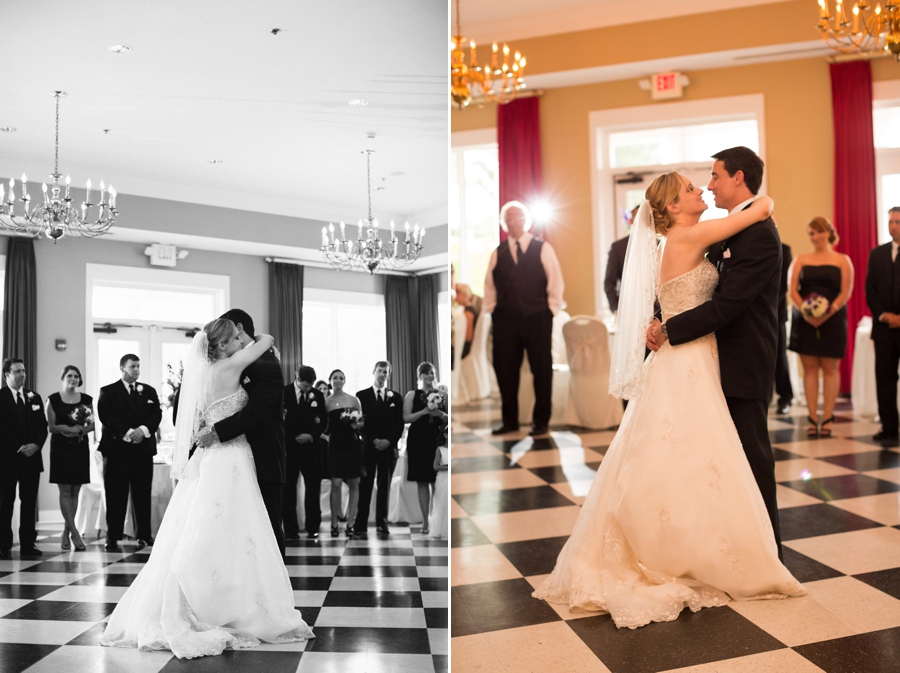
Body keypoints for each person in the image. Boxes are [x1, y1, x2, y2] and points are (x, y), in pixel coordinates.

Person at [533, 171, 805, 629]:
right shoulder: (690, 235)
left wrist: (660, 324)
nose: (701, 189)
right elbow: (761, 207)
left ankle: (684, 541)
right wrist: (748, 197)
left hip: (681, 354)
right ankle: (689, 550)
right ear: (673, 208)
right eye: (690, 189)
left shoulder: (670, 242)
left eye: (705, 182)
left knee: (679, 452)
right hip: (690, 357)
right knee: (698, 451)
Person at [101, 319, 313, 658]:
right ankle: (230, 603)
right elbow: (268, 338)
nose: (238, 342)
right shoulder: (231, 365)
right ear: (220, 346)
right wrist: (250, 336)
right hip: (233, 456)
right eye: (232, 338)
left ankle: (205, 596)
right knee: (238, 528)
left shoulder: (200, 375)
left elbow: (201, 419)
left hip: (208, 455)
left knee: (204, 525)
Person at [647, 146, 785, 559]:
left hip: (743, 362)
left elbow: (728, 305)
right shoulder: (728, 227)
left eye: (714, 176)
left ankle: (767, 552)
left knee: (753, 459)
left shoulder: (757, 231)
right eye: (698, 183)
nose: (708, 185)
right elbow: (686, 285)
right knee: (714, 460)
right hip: (706, 361)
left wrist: (668, 327)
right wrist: (661, 318)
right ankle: (719, 547)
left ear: (738, 178)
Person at [196, 308, 287, 558]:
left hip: (264, 456)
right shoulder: (234, 362)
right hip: (235, 456)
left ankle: (273, 588)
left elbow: (256, 413)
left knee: (266, 528)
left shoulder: (266, 363)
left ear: (238, 328)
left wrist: (215, 431)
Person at [483, 200, 565, 437]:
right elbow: (489, 286)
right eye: (508, 219)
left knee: (542, 369)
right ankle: (509, 421)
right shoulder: (497, 253)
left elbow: (555, 280)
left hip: (538, 316)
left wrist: (550, 309)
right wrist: (492, 312)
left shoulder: (542, 248)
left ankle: (541, 421)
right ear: (504, 223)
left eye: (517, 218)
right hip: (505, 320)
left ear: (526, 221)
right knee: (505, 370)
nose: (513, 222)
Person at [788, 217, 853, 438]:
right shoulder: (801, 259)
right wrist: (806, 311)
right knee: (809, 368)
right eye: (811, 233)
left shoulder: (843, 260)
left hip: (833, 320)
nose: (815, 237)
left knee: (830, 368)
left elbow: (845, 291)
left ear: (828, 233)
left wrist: (828, 311)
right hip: (805, 320)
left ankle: (827, 416)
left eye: (819, 232)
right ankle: (812, 416)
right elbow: (792, 289)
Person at [97, 354, 162, 552]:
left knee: (142, 494)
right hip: (117, 451)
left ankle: (144, 535)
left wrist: (142, 430)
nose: (136, 370)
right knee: (116, 495)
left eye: (138, 366)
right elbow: (105, 415)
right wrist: (127, 433)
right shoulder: (108, 391)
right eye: (132, 366)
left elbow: (156, 414)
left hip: (142, 451)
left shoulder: (149, 391)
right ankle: (113, 536)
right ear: (122, 368)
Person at [0, 358, 48, 559]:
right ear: (6, 375)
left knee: (29, 503)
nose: (22, 375)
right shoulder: (0, 397)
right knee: (5, 503)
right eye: (17, 371)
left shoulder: (34, 397)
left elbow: (42, 427)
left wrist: (35, 445)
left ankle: (28, 544)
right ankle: (3, 545)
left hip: (31, 459)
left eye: (24, 371)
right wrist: (19, 447)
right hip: (7, 460)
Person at [46, 365, 94, 551]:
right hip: (60, 448)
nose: (72, 379)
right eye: (69, 375)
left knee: (76, 491)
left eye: (76, 376)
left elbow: (91, 425)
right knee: (65, 492)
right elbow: (51, 427)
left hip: (80, 448)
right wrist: (67, 429)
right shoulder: (53, 399)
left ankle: (67, 531)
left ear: (79, 379)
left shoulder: (87, 399)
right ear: (63, 377)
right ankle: (75, 533)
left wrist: (79, 430)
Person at [354, 361, 404, 536]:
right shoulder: (361, 396)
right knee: (365, 485)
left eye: (386, 372)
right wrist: (373, 439)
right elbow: (359, 423)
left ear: (389, 375)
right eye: (380, 371)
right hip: (368, 447)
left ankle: (382, 523)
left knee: (385, 486)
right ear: (373, 372)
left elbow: (399, 424)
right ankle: (360, 524)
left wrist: (389, 441)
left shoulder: (396, 397)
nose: (383, 374)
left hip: (388, 449)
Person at [865, 207, 900, 442]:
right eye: (890, 221)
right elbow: (871, 290)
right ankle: (889, 427)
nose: (893, 225)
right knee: (884, 379)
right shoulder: (877, 253)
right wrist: (883, 315)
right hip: (884, 329)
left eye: (897, 221)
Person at [403, 362, 447, 535]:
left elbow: (450, 418)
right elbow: (406, 418)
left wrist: (440, 414)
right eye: (426, 373)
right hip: (418, 441)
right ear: (420, 375)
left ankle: (439, 519)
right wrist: (423, 412)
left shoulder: (442, 394)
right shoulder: (412, 395)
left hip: (436, 440)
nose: (430, 376)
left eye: (432, 373)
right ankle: (425, 521)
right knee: (422, 481)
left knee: (438, 481)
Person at [283, 365, 326, 539]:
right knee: (289, 491)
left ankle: (313, 527)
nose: (308, 389)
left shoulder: (318, 395)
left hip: (311, 450)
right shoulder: (284, 392)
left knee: (313, 489)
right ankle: (291, 530)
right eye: (305, 386)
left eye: (310, 386)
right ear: (297, 378)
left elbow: (323, 421)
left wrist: (311, 435)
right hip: (290, 449)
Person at [321, 369, 364, 537]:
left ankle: (351, 523)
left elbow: (361, 423)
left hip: (353, 445)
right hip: (336, 446)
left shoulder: (354, 400)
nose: (338, 380)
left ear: (344, 381)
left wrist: (355, 423)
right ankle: (334, 522)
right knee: (336, 484)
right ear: (330, 381)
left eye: (341, 378)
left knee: (354, 483)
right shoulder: (327, 402)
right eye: (335, 378)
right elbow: (324, 427)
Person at [604, 205, 638, 313]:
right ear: (631, 221)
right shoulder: (618, 247)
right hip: (627, 309)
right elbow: (609, 281)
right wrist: (616, 308)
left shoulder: (659, 244)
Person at [774, 241, 794, 414]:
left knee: (780, 357)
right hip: (753, 312)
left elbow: (783, 285)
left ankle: (785, 397)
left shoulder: (784, 249)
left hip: (777, 311)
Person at [429, 427, 449, 540]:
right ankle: (439, 530)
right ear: (445, 435)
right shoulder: (440, 449)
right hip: (442, 478)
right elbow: (435, 466)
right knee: (441, 503)